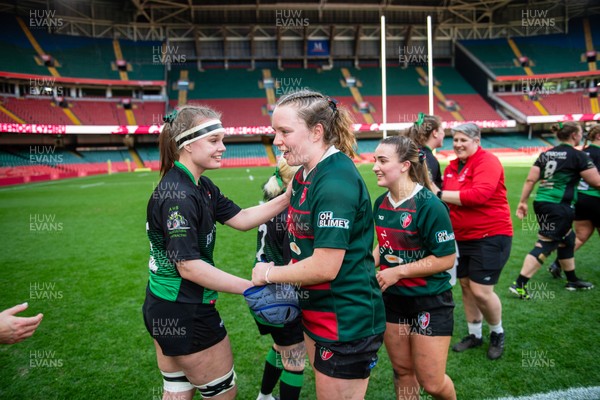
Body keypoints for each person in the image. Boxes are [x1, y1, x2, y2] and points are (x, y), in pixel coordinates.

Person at [142, 106, 291, 400]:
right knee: (223, 393)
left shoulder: (201, 185)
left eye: (222, 139)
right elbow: (190, 268)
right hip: (186, 309)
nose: (223, 148)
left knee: (177, 392)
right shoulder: (179, 196)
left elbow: (244, 219)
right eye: (213, 141)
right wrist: (254, 288)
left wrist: (288, 197)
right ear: (186, 144)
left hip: (165, 306)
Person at [251, 90, 386, 400]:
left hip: (346, 320)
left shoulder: (335, 181)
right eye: (275, 131)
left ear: (316, 131)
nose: (276, 140)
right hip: (316, 313)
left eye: (284, 131)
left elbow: (326, 265)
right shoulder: (303, 174)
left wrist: (269, 274)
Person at [372, 136, 456, 400]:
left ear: (405, 165)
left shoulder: (430, 205)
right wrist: (366, 264)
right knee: (402, 370)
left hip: (429, 301)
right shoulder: (380, 204)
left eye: (382, 160)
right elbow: (384, 246)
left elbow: (445, 259)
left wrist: (397, 271)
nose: (375, 166)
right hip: (393, 302)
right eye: (375, 159)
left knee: (431, 383)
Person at [439, 122, 512, 360]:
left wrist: (437, 193)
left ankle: (497, 332)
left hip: (490, 235)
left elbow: (479, 195)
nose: (458, 144)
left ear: (476, 141)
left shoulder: (487, 161)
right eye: (456, 140)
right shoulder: (452, 167)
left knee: (481, 291)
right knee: (467, 287)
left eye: (464, 140)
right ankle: (474, 334)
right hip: (461, 238)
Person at [510, 122, 600, 299]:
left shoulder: (546, 154)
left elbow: (530, 180)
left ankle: (572, 280)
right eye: (580, 133)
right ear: (574, 135)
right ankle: (519, 284)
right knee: (546, 243)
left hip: (542, 202)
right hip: (559, 206)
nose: (581, 136)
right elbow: (596, 182)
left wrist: (523, 202)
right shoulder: (577, 155)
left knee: (568, 239)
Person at [253, 158, 305, 400]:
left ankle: (264, 396)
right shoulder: (291, 213)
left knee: (281, 347)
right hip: (283, 294)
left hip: (265, 293)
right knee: (295, 358)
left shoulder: (270, 205)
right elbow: (294, 262)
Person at [548, 124, 600, 278]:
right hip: (596, 198)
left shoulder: (582, 153)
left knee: (581, 235)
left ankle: (557, 263)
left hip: (580, 199)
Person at [405, 112, 445, 191]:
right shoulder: (426, 158)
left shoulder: (414, 152)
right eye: (442, 130)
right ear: (435, 133)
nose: (444, 134)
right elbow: (425, 189)